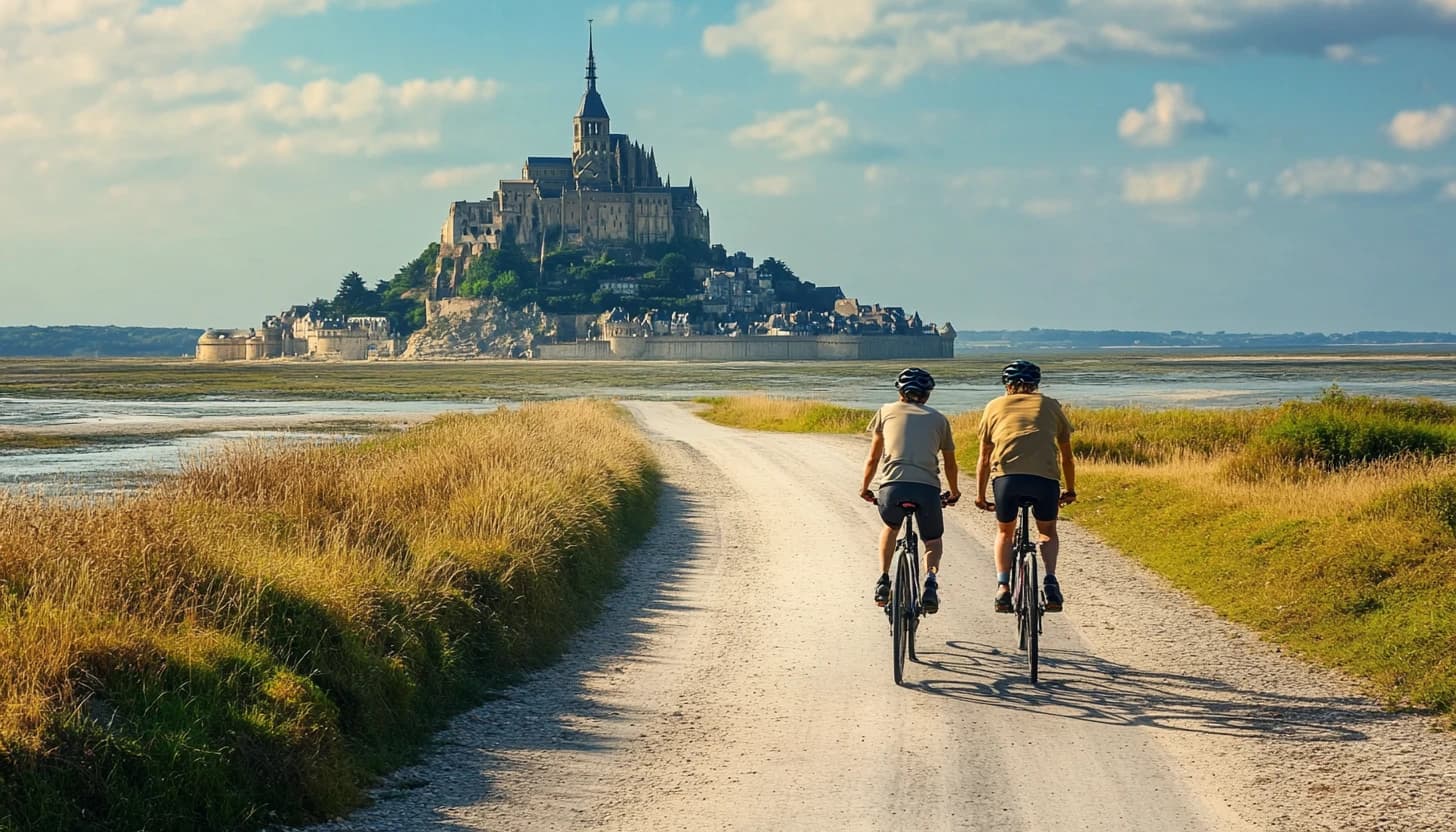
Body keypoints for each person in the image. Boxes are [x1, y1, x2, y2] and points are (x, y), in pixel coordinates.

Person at [974, 360, 1077, 613]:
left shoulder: (994, 406)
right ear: (1036, 385)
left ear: (1007, 386)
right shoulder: (1051, 405)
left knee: (1005, 533)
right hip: (1045, 481)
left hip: (1007, 480)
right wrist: (1070, 489)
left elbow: (984, 458)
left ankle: (1003, 587)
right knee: (1048, 532)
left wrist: (979, 495)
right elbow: (1067, 456)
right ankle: (1050, 579)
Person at [860, 367, 960, 614]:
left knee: (891, 527)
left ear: (900, 392)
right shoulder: (939, 419)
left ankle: (883, 579)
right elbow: (950, 462)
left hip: (892, 487)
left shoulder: (885, 412)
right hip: (926, 489)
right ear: (927, 395)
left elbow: (873, 458)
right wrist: (955, 491)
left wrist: (864, 488)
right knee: (933, 540)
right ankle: (930, 582)